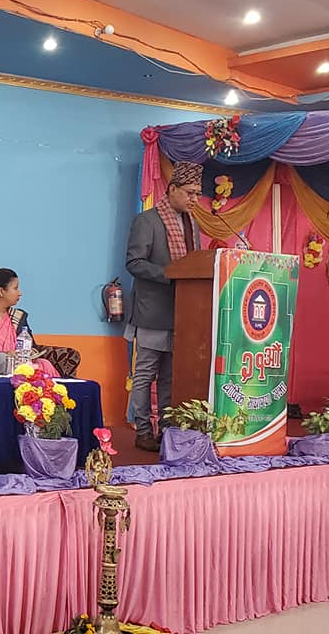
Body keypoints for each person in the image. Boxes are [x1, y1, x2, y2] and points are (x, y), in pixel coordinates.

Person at [124, 160, 203, 452]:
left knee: (171, 377)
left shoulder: (192, 224)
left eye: (197, 194)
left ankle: (167, 431)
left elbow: (195, 263)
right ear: (172, 189)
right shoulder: (147, 221)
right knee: (145, 375)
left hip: (182, 313)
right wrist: (171, 274)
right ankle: (143, 430)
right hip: (151, 312)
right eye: (190, 193)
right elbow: (134, 263)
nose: (195, 199)